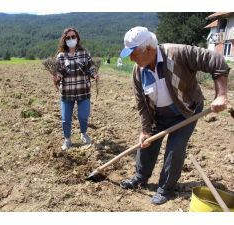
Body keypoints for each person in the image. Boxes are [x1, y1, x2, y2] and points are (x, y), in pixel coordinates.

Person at [119, 26, 230, 205]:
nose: (131, 58)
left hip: (185, 111)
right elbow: (142, 103)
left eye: (134, 53)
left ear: (149, 49)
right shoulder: (138, 71)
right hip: (158, 115)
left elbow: (216, 60)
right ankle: (140, 177)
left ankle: (166, 188)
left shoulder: (178, 53)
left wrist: (221, 95)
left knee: (175, 148)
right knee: (146, 144)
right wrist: (145, 130)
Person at [54, 27, 99, 151]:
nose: (71, 39)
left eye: (73, 36)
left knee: (83, 116)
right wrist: (56, 77)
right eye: (68, 37)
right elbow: (57, 72)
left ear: (77, 38)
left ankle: (83, 134)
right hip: (66, 93)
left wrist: (94, 74)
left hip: (83, 91)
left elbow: (91, 67)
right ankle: (67, 140)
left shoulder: (84, 53)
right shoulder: (61, 56)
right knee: (65, 118)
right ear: (64, 40)